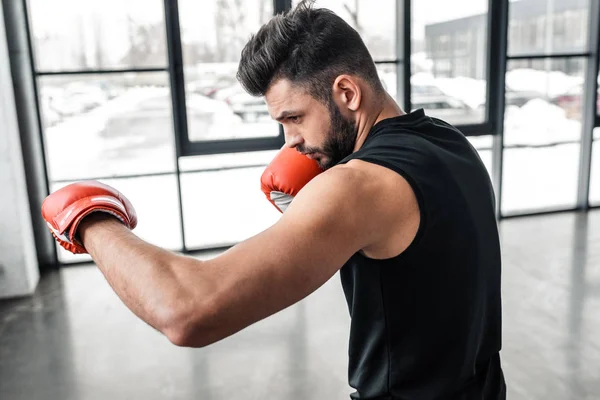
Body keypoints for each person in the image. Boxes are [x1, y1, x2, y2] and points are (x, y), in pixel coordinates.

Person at [42, 1, 506, 398]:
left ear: (347, 92)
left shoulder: (357, 187)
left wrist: (91, 221)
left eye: (295, 117)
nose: (291, 142)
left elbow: (187, 311)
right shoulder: (448, 141)